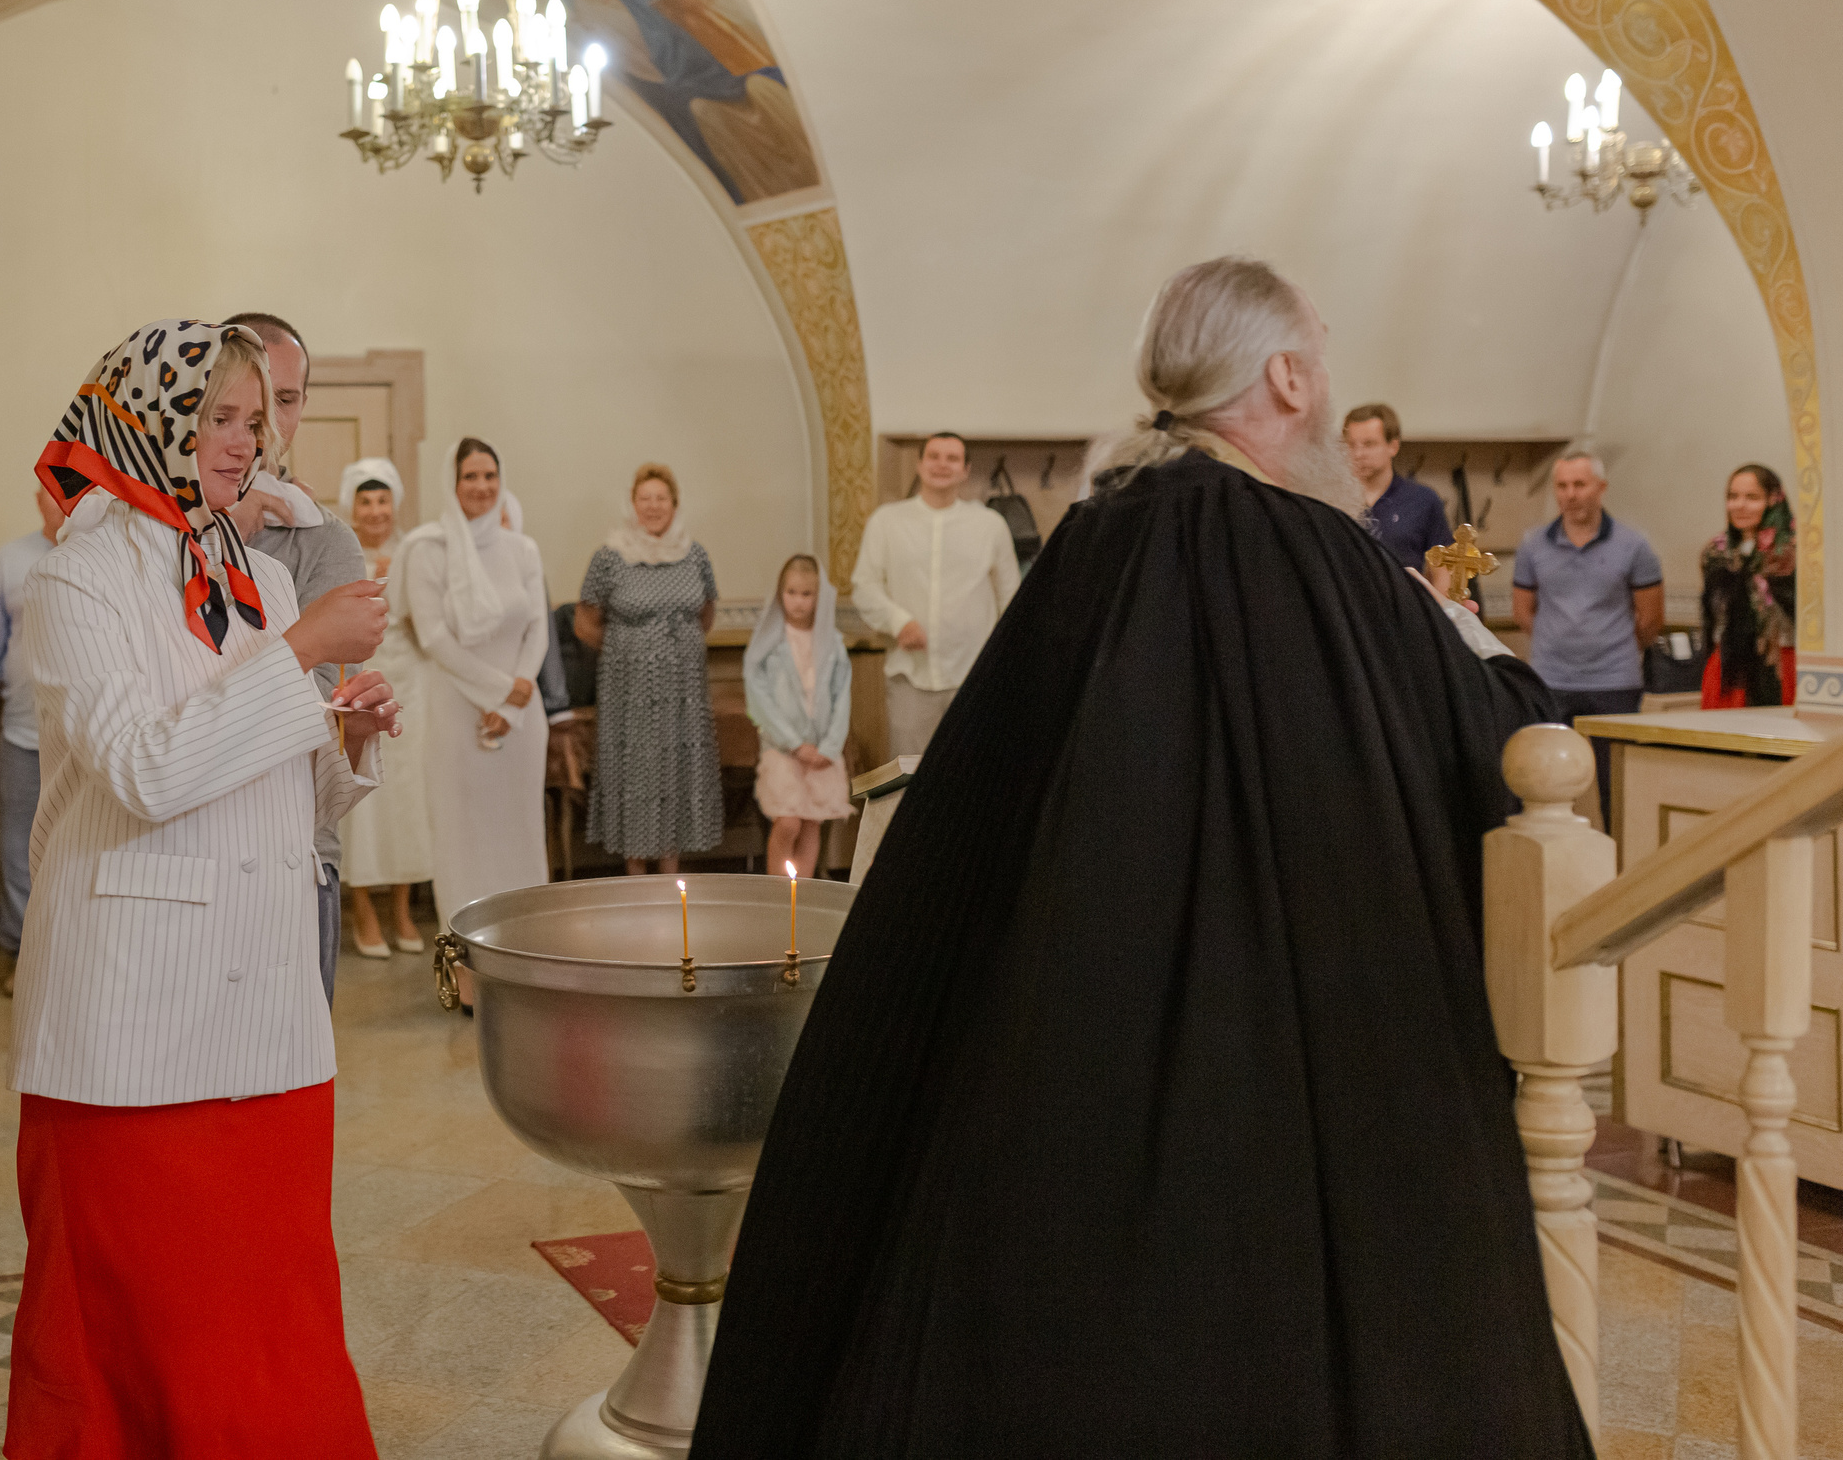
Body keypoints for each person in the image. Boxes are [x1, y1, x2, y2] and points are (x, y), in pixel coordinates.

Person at [692, 256, 1582, 1460]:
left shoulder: (1092, 541)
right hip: (1293, 1073)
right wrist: (1476, 645)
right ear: (1283, 377)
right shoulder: (1328, 561)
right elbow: (1507, 747)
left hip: (1060, 1063)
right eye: (1319, 352)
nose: (1326, 379)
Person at [7, 319, 393, 1459]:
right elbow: (143, 769)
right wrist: (299, 655)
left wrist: (351, 743)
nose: (242, 442)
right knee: (139, 1345)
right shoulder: (75, 579)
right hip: (137, 1031)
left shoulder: (260, 575)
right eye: (216, 419)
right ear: (149, 424)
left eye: (254, 420)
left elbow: (286, 800)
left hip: (271, 1022)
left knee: (271, 1335)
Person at [222, 312, 369, 1005]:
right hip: (187, 853)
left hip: (296, 848)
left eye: (286, 401)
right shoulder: (159, 536)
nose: (266, 427)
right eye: (248, 406)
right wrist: (224, 533)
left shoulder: (324, 542)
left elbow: (304, 720)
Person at [405, 438, 550, 978]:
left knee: (519, 838)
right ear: (452, 482)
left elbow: (537, 626)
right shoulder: (427, 548)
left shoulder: (523, 550)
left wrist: (513, 701)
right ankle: (466, 972)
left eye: (491, 475)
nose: (483, 486)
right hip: (457, 713)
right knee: (462, 842)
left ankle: (530, 961)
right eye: (471, 476)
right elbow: (434, 637)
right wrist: (497, 690)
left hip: (519, 720)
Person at [577, 463, 721, 874]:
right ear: (633, 504)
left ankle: (671, 872)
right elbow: (584, 621)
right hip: (629, 687)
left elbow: (706, 612)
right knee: (636, 772)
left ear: (674, 505)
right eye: (645, 498)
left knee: (676, 772)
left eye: (661, 498)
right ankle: (635, 872)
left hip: (684, 688)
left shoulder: (694, 554)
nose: (653, 506)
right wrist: (631, 649)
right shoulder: (610, 556)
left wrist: (677, 648)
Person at [849, 432, 1020, 758]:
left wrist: (1003, 664)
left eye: (952, 458)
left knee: (972, 776)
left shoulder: (990, 525)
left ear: (966, 470)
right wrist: (899, 622)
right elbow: (864, 586)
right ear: (920, 464)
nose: (942, 464)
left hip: (974, 677)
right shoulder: (887, 521)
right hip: (910, 677)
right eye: (934, 456)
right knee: (909, 780)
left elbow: (1010, 597)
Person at [1513, 449, 1663, 819]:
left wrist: (1610, 646)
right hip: (1551, 680)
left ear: (1600, 487)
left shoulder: (1633, 545)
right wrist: (1560, 640)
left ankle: (1623, 862)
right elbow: (1522, 612)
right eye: (1562, 486)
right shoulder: (1534, 544)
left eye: (1579, 484)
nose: (1570, 494)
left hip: (1615, 682)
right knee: (1544, 781)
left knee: (1618, 785)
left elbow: (1651, 619)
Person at [0, 485, 67, 997]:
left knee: (82, 846)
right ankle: (25, 957)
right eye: (51, 492)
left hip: (88, 739)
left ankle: (74, 957)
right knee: (20, 849)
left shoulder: (108, 550)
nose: (61, 501)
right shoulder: (9, 561)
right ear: (37, 500)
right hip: (24, 734)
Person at [337, 456, 431, 958]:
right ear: (353, 508)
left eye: (383, 500)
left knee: (406, 795)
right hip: (360, 679)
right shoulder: (340, 553)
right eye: (366, 501)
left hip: (410, 681)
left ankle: (402, 907)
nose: (375, 511)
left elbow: (431, 622)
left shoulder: (415, 554)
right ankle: (365, 911)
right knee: (365, 800)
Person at [744, 554, 852, 875]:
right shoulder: (768, 643)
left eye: (807, 594)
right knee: (788, 820)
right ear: (780, 594)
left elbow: (842, 696)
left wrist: (830, 746)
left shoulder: (833, 644)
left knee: (811, 823)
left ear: (820, 596)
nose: (798, 602)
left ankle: (799, 898)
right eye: (791, 593)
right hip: (783, 749)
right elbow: (759, 699)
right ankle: (779, 895)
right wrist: (793, 743)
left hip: (822, 750)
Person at [1700, 462, 1797, 709]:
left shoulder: (1791, 553)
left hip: (1780, 663)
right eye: (1733, 497)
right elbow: (1711, 619)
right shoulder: (1715, 553)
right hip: (1728, 667)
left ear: (1774, 500)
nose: (1739, 505)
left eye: (1752, 497)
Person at [1344, 401, 1453, 574]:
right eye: (1351, 445)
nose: (1358, 455)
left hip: (1405, 599)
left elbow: (1442, 569)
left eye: (1369, 444)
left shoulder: (1423, 500)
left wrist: (1441, 601)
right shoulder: (1333, 500)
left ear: (1393, 446)